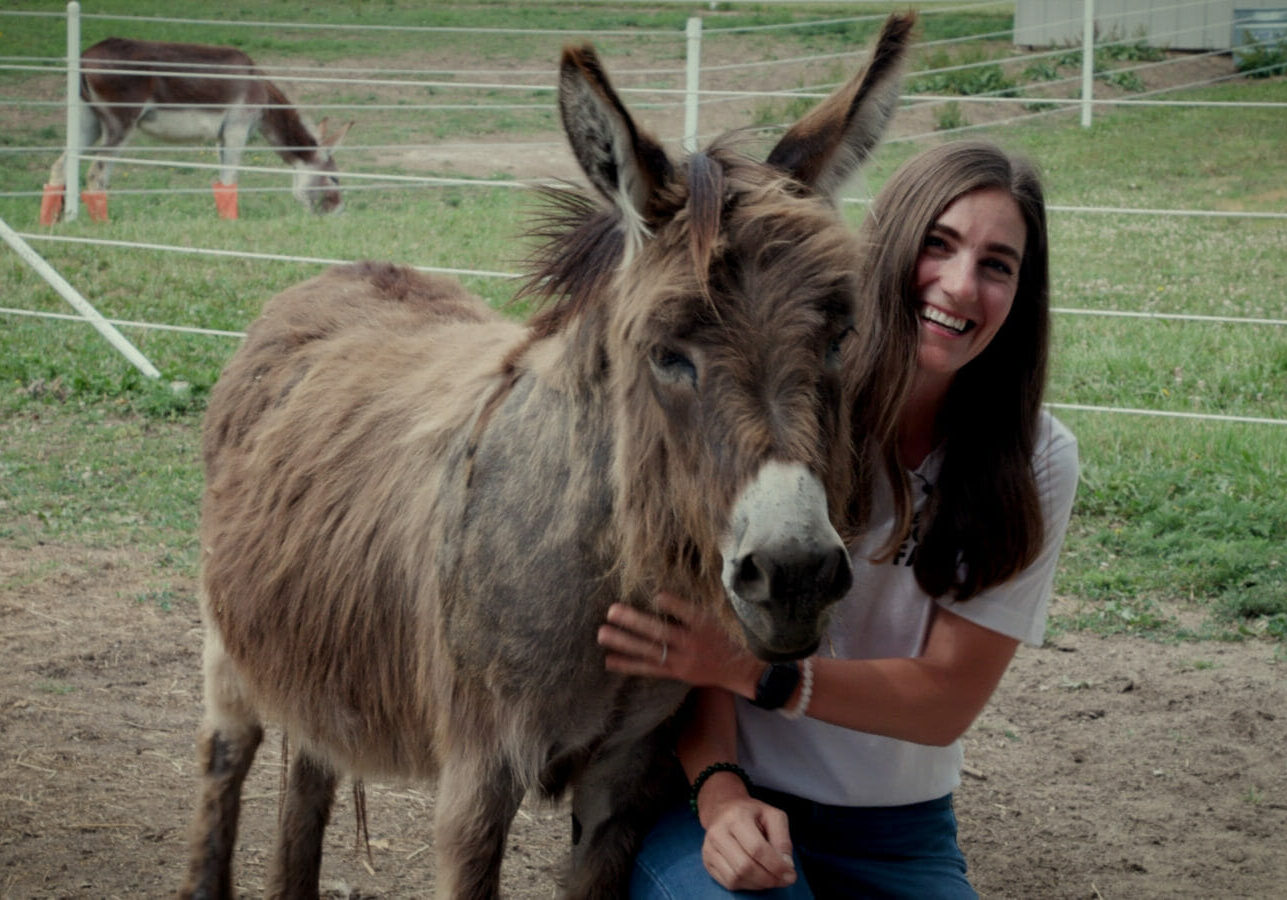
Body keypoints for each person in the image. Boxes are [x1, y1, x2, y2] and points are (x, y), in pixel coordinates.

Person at [597, 139, 1080, 898]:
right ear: (887, 245)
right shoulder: (786, 399)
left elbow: (943, 701)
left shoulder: (1035, 459)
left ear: (1022, 293)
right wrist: (721, 795)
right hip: (729, 795)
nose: (958, 287)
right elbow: (695, 628)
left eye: (996, 265)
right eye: (939, 244)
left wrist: (752, 671)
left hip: (903, 832)